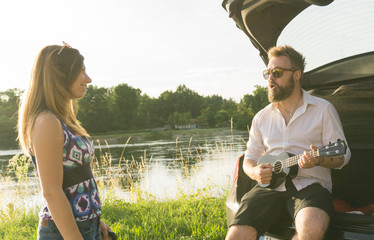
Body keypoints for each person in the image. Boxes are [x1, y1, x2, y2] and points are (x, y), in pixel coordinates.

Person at [226, 45, 351, 240]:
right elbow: (249, 160)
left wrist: (318, 160)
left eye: (276, 72)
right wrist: (256, 172)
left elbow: (342, 156)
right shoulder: (261, 117)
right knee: (236, 235)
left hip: (310, 186)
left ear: (296, 75)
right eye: (267, 73)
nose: (270, 78)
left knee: (310, 231)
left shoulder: (323, 110)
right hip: (269, 188)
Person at [18, 42, 112, 240]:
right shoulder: (47, 122)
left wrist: (96, 221)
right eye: (81, 71)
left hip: (85, 226)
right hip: (64, 233)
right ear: (60, 77)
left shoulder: (62, 120)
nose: (88, 79)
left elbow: (76, 179)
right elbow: (51, 192)